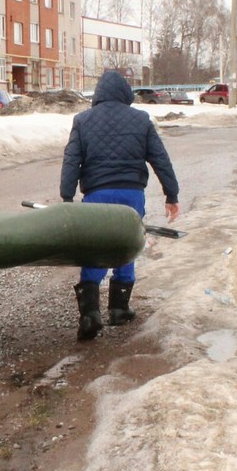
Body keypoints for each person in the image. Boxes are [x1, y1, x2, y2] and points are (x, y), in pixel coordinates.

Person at [59, 69, 181, 340]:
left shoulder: (83, 120)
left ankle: (90, 314)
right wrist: (171, 195)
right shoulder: (141, 120)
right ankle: (119, 309)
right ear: (126, 93)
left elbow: (71, 160)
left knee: (95, 248)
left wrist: (67, 198)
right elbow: (161, 159)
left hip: (96, 197)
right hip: (131, 195)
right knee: (127, 245)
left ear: (98, 95)